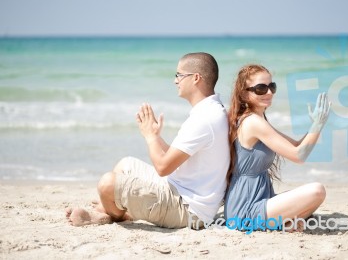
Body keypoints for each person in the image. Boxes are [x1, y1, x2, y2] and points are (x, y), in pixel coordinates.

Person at [66, 52, 230, 229]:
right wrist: (157, 136)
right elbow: (177, 159)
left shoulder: (205, 118)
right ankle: (109, 210)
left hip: (188, 210)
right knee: (125, 164)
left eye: (179, 75)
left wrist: (150, 137)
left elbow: (163, 167)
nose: (175, 81)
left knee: (107, 183)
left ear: (196, 78)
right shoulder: (210, 110)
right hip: (180, 189)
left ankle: (110, 215)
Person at [224, 64, 330, 232]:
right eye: (261, 88)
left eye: (272, 87)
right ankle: (283, 224)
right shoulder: (252, 122)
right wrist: (317, 125)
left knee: (315, 196)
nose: (269, 92)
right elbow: (298, 155)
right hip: (244, 210)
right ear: (244, 93)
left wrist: (316, 125)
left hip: (259, 201)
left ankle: (284, 224)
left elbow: (295, 145)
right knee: (317, 191)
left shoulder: (258, 120)